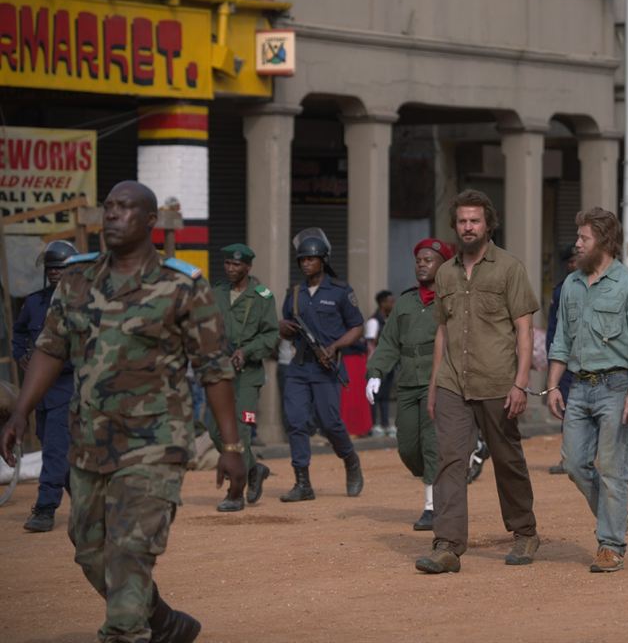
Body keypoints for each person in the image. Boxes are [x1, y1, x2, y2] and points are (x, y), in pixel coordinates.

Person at [0, 180, 246, 641]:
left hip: (155, 446)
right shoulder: (75, 279)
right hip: (90, 442)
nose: (113, 215)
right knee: (89, 548)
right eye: (109, 207)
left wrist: (231, 446)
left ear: (150, 220)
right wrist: (20, 414)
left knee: (130, 549)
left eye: (125, 208)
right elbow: (50, 349)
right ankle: (163, 620)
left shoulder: (181, 285)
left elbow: (214, 370)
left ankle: (126, 631)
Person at [415, 189, 540, 574]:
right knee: (450, 460)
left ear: (488, 224)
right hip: (454, 381)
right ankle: (447, 544)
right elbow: (442, 333)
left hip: (498, 383)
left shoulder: (509, 268)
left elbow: (524, 330)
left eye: (475, 221)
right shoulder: (446, 273)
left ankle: (524, 532)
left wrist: (520, 383)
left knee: (507, 458)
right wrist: (435, 386)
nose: (468, 227)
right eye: (463, 221)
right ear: (455, 226)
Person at [545, 208, 628, 573]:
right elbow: (561, 339)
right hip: (579, 386)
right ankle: (617, 515)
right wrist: (552, 386)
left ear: (604, 242)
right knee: (574, 464)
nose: (576, 244)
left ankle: (611, 544)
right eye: (578, 238)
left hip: (617, 386)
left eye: (583, 239)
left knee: (612, 468)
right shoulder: (571, 286)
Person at [366, 238, 455, 531]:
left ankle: (431, 506)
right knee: (407, 447)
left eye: (429, 260)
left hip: (438, 382)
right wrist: (376, 371)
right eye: (418, 260)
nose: (421, 264)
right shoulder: (404, 302)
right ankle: (439, 475)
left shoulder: (452, 299)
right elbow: (389, 341)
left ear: (443, 265)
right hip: (407, 383)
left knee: (431, 444)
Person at [278, 234, 365, 502]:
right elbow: (287, 327)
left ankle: (350, 460)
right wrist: (283, 329)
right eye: (302, 259)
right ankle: (302, 482)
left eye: (311, 259)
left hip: (326, 368)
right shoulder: (294, 294)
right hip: (299, 367)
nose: (306, 263)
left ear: (323, 260)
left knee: (330, 423)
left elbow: (357, 327)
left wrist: (335, 346)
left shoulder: (340, 291)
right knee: (296, 422)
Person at [12, 240, 78, 532]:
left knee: (53, 446)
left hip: (67, 386)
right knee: (51, 443)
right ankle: (87, 499)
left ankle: (45, 508)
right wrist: (22, 357)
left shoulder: (82, 306)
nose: (54, 273)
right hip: (40, 390)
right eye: (51, 269)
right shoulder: (35, 301)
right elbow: (19, 333)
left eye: (60, 268)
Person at [210, 243, 278, 512]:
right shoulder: (215, 293)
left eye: (236, 264)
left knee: (242, 429)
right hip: (219, 372)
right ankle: (254, 468)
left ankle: (235, 493)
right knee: (215, 429)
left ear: (248, 267)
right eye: (227, 263)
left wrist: (247, 351)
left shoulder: (262, 297)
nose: (230, 268)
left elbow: (271, 334)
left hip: (248, 376)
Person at [547, 243, 579, 475]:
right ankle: (568, 458)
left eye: (576, 259)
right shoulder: (560, 291)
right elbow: (553, 328)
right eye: (569, 261)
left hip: (593, 360)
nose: (573, 264)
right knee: (567, 409)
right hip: (566, 361)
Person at [366, 289, 397, 437]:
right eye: (390, 301)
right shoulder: (374, 321)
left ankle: (385, 424)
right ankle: (374, 424)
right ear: (382, 303)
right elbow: (371, 343)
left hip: (389, 364)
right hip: (376, 363)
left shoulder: (389, 319)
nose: (393, 304)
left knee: (385, 395)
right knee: (375, 396)